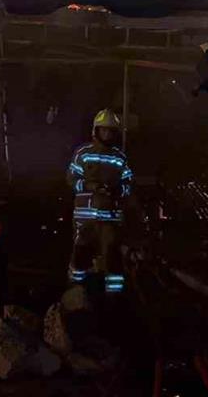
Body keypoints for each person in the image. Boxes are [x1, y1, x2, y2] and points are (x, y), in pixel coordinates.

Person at [66, 109, 133, 294]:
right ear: (96, 130)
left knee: (113, 262)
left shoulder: (120, 158)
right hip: (86, 221)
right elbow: (72, 180)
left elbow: (128, 185)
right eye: (104, 130)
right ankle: (75, 294)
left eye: (111, 131)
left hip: (110, 220)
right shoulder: (83, 153)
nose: (107, 134)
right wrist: (90, 186)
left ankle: (114, 300)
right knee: (79, 259)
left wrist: (117, 190)